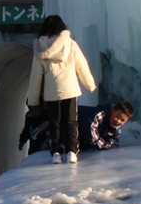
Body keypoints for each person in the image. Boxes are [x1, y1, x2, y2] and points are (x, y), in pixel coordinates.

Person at [26, 15, 97, 165]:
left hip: (51, 94)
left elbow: (35, 77)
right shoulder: (70, 44)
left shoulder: (39, 48)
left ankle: (56, 153)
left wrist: (33, 99)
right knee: (71, 121)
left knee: (54, 123)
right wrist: (89, 85)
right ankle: (71, 151)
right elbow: (81, 65)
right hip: (70, 90)